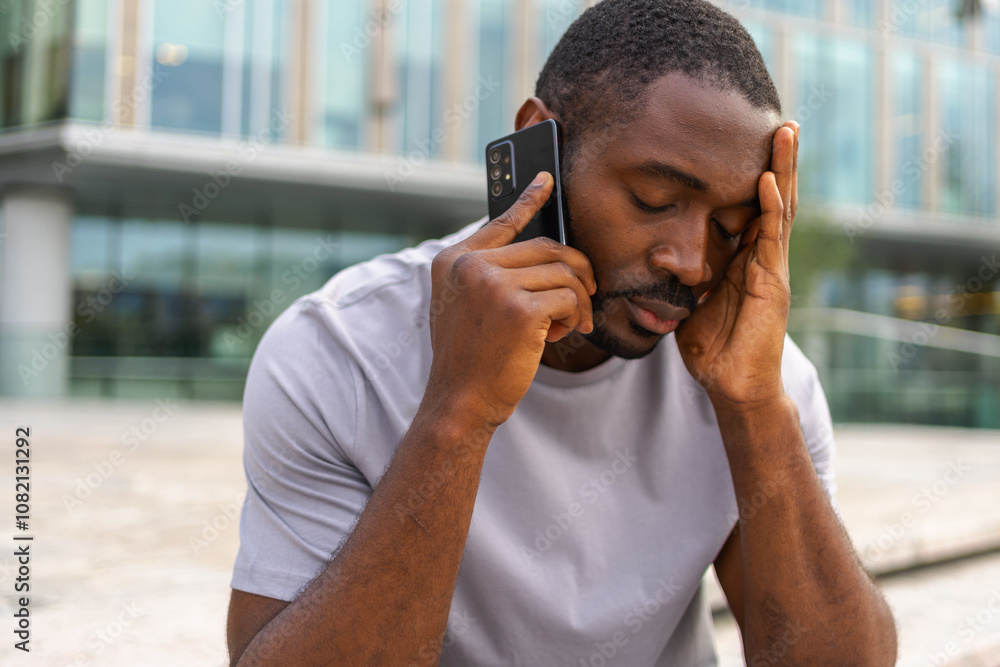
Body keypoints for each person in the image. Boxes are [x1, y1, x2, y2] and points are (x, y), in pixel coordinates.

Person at [226, 0, 897, 664]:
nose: (691, 262)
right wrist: (460, 409)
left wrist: (753, 412)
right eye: (654, 201)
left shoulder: (754, 381)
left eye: (727, 227)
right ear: (537, 142)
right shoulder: (336, 353)